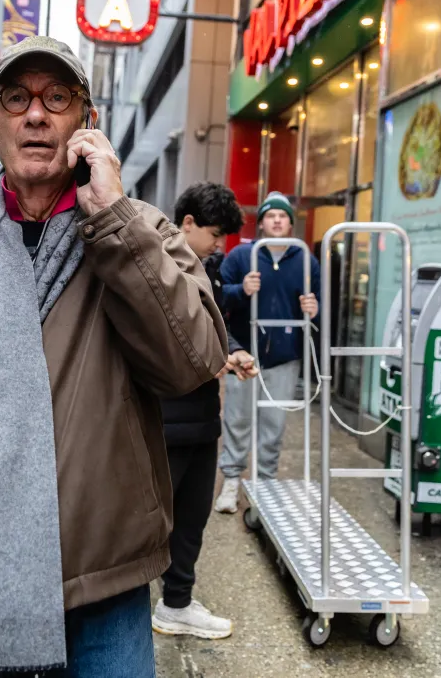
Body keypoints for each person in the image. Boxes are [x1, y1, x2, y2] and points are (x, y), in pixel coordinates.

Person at [0, 36, 228, 678]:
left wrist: (112, 218)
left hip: (102, 590)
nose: (36, 114)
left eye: (57, 97)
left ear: (85, 122)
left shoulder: (137, 230)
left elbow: (189, 362)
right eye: (16, 97)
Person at [151, 183, 257, 640]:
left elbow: (214, 330)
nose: (220, 245)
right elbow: (161, 337)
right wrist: (216, 357)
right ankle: (123, 614)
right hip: (163, 418)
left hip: (199, 416)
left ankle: (176, 604)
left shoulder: (207, 269)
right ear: (187, 224)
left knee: (192, 519)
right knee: (150, 523)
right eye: (215, 234)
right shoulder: (155, 264)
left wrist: (232, 351)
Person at [214, 191, 320, 514]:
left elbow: (321, 305)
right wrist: (241, 290)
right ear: (261, 223)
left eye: (282, 215)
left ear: (290, 223)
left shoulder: (305, 259)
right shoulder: (240, 256)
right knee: (237, 418)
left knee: (273, 424)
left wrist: (313, 310)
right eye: (270, 215)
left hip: (284, 357)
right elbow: (216, 298)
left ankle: (266, 486)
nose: (276, 219)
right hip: (245, 354)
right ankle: (232, 482)